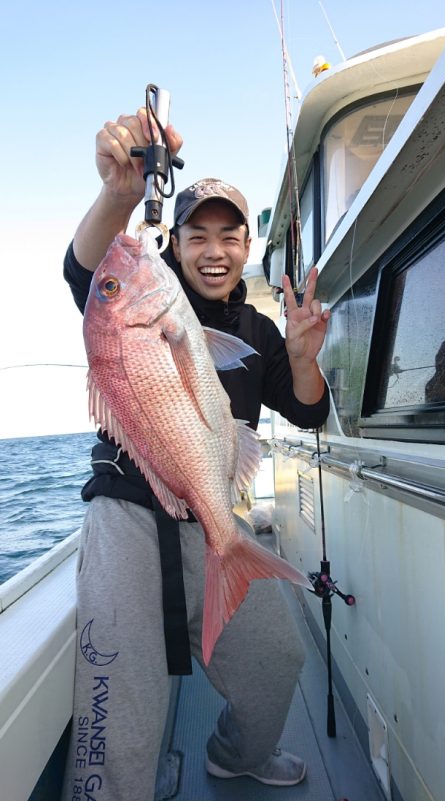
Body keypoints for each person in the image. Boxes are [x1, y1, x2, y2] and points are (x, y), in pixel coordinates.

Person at [61, 108, 330, 801]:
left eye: (229, 235)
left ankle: (234, 754)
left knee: (277, 659)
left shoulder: (261, 330)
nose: (213, 250)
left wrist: (302, 358)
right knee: (120, 696)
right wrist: (122, 192)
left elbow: (308, 408)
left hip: (212, 510)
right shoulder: (148, 304)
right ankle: (135, 780)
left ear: (247, 246)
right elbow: (87, 267)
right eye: (196, 235)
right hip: (128, 508)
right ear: (173, 246)